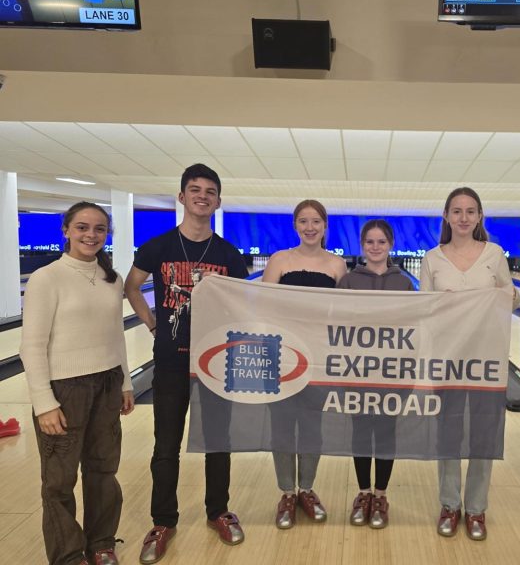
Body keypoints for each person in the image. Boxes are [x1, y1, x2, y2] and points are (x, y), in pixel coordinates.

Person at [125, 164, 249, 564]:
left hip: (215, 364)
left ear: (217, 200)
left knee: (218, 442)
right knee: (165, 445)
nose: (202, 195)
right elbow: (131, 285)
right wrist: (148, 318)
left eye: (210, 191)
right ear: (181, 197)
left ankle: (218, 511)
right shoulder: (158, 246)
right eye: (194, 189)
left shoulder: (228, 254)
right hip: (171, 362)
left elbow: (246, 303)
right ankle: (163, 521)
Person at [21, 202, 135, 565]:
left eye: (100, 229)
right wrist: (44, 402)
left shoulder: (111, 279)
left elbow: (116, 335)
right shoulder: (46, 278)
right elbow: (31, 345)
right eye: (83, 227)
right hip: (64, 390)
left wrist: (126, 383)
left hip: (107, 383)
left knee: (103, 472)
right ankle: (69, 556)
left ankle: (101, 543)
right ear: (66, 230)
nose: (91, 235)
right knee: (59, 481)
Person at [419, 187, 518, 541]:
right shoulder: (432, 258)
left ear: (479, 217)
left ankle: (476, 509)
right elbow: (423, 310)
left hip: (485, 359)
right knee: (448, 435)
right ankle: (449, 504)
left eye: (470, 211)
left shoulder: (494, 254)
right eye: (457, 211)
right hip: (446, 360)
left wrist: (501, 296)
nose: (463, 217)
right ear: (446, 216)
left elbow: (511, 296)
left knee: (482, 436)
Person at [262, 199, 347, 529]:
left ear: (325, 226)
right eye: (303, 221)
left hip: (319, 357)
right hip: (281, 355)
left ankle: (307, 489)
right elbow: (265, 307)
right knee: (282, 425)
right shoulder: (279, 260)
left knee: (312, 426)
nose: (310, 227)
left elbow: (343, 314)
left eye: (316, 221)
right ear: (295, 225)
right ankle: (286, 491)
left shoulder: (338, 265)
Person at [337, 219, 414, 529]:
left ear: (390, 244)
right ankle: (363, 493)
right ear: (362, 245)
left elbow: (414, 327)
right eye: (369, 241)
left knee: (385, 433)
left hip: (392, 372)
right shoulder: (348, 281)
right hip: (357, 371)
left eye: (381, 241)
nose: (375, 247)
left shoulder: (405, 283)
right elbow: (337, 323)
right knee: (360, 432)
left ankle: (381, 495)